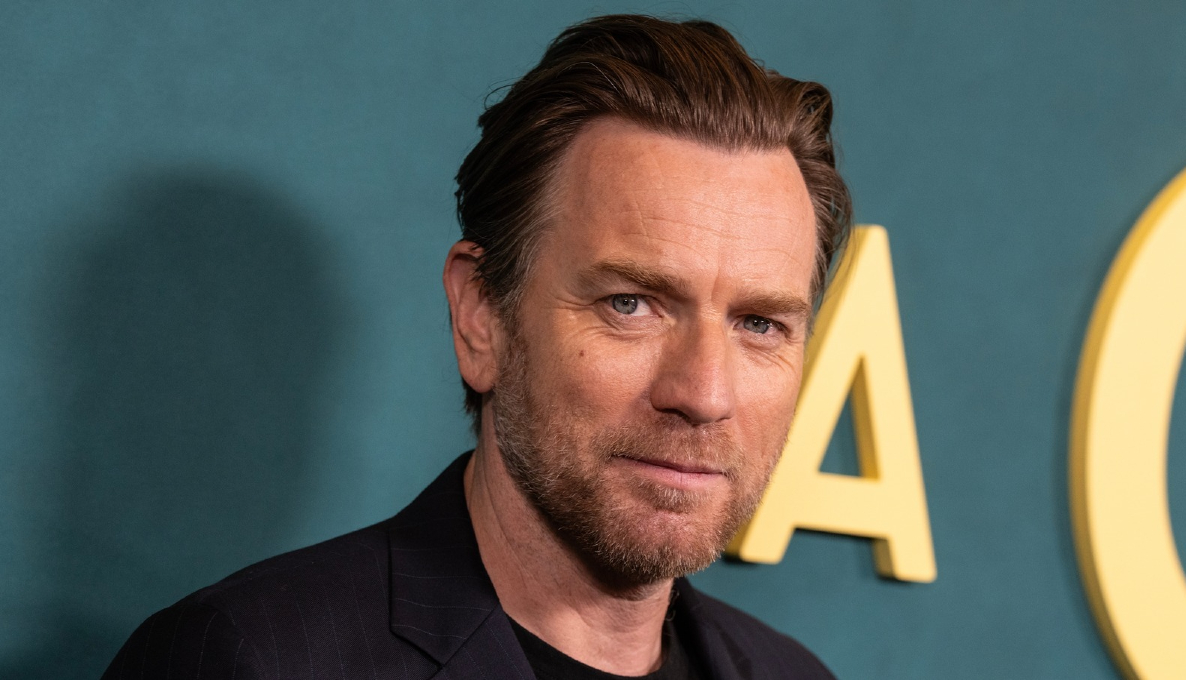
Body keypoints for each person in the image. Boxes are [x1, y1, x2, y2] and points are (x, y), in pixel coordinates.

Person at [103, 14, 851, 680]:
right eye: (630, 304)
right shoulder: (252, 659)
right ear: (481, 314)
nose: (704, 393)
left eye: (760, 324)